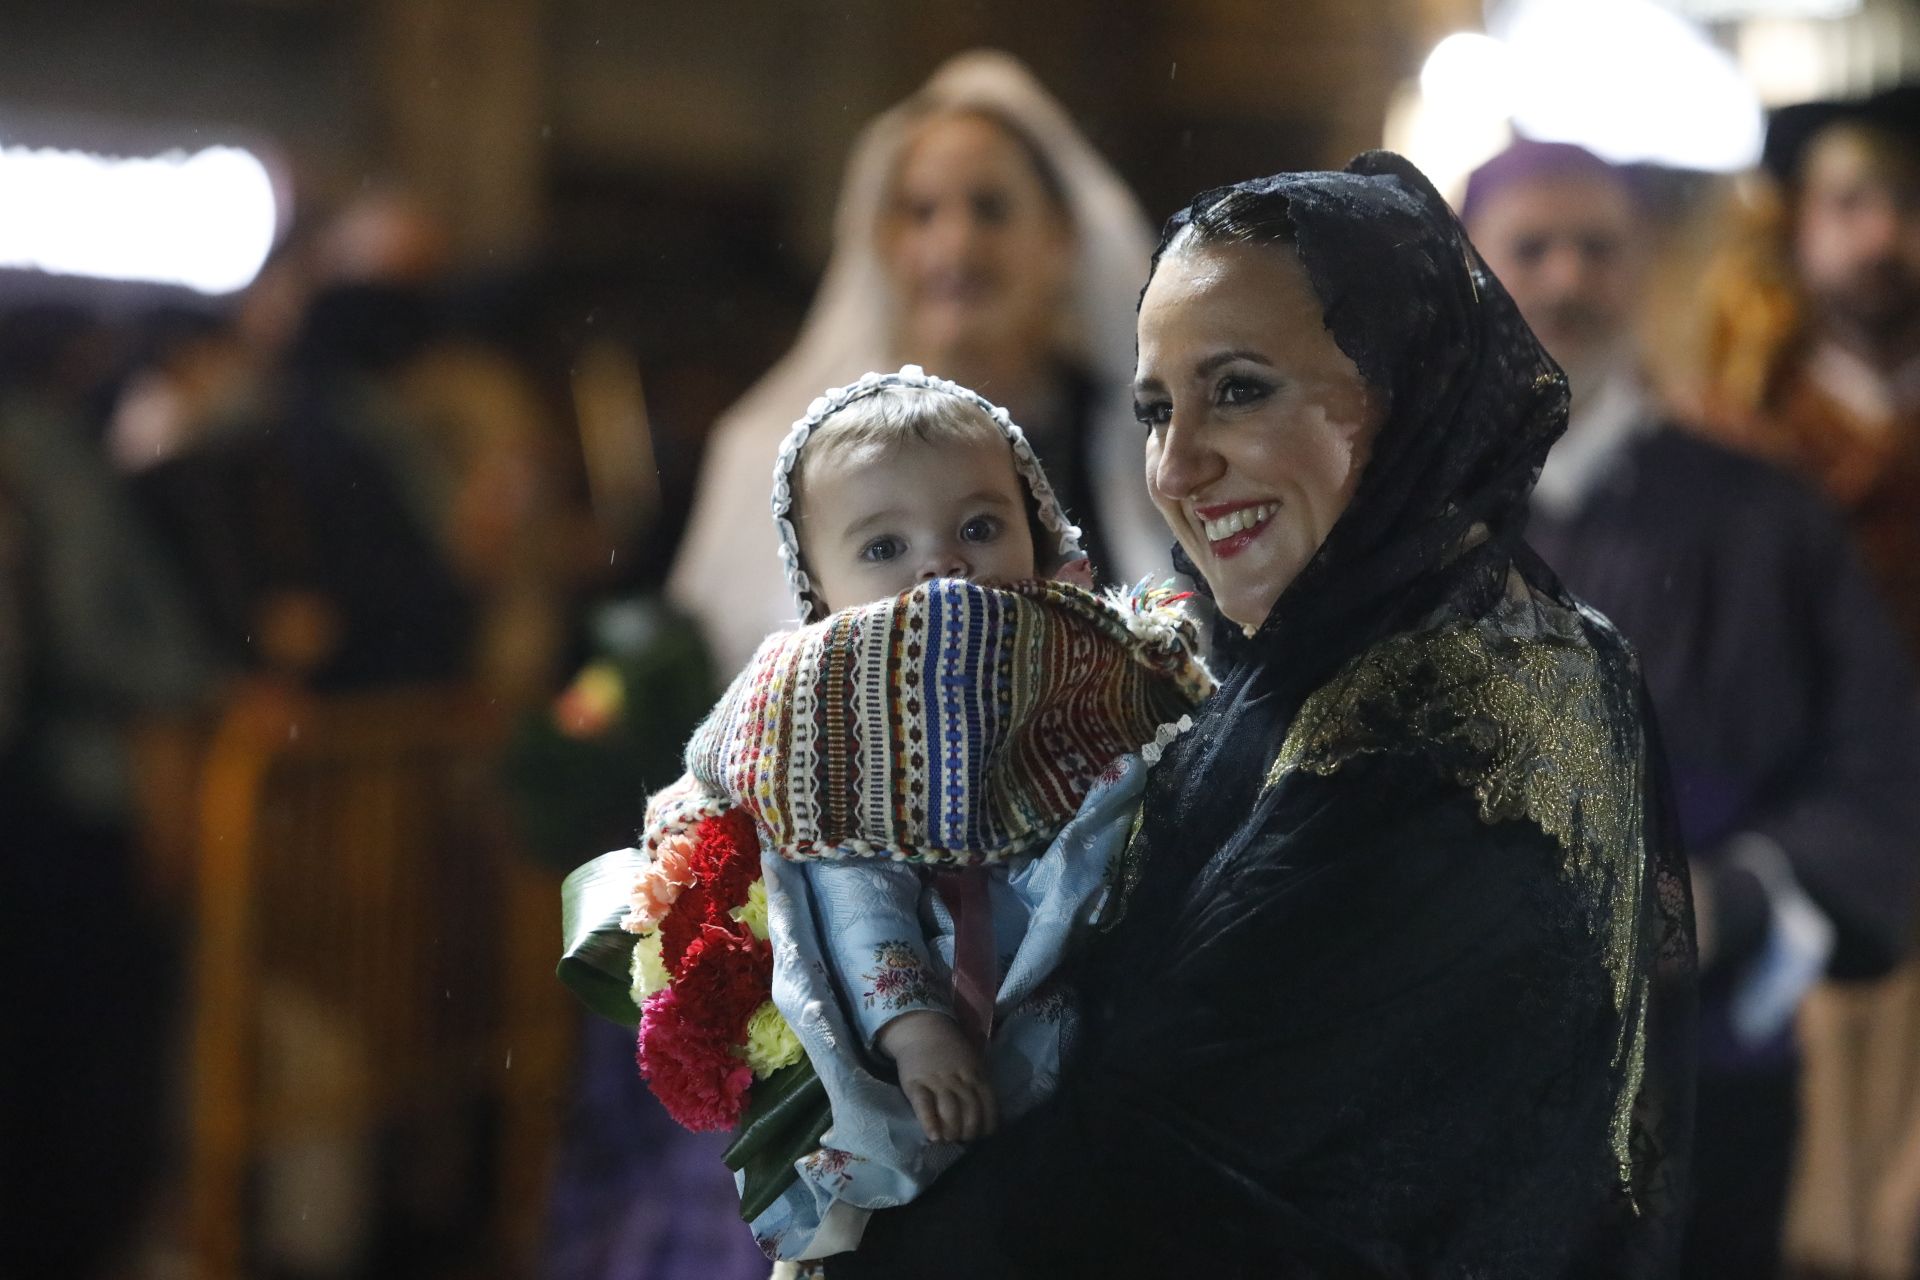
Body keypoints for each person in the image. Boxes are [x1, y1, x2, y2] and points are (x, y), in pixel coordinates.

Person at [828, 152, 1694, 1278]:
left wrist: (854, 1220)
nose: (1179, 465)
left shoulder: (1474, 709)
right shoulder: (1248, 672)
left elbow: (1151, 1172)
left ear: (1404, 382)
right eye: (1154, 408)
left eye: (1239, 388)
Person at [593, 367, 1208, 1263]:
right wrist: (914, 1029)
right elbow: (853, 879)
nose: (942, 564)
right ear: (818, 585)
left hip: (1083, 975)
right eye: (884, 547)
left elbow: (1164, 755)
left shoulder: (1081, 653)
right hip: (928, 997)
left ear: (1035, 527)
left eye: (979, 527)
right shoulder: (829, 697)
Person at [1464, 138, 1920, 1280]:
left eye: (1599, 248)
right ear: (1466, 272)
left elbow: (1879, 761)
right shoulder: (1415, 526)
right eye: (1532, 248)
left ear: (1646, 269)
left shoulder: (1766, 510)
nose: (1568, 279)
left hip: (1712, 1069)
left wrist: (1742, 894)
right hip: (1466, 1075)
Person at [667, 50, 1164, 676]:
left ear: (1061, 237)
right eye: (921, 212)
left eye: (990, 208)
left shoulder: (1143, 434)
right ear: (882, 243)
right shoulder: (777, 453)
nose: (954, 245)